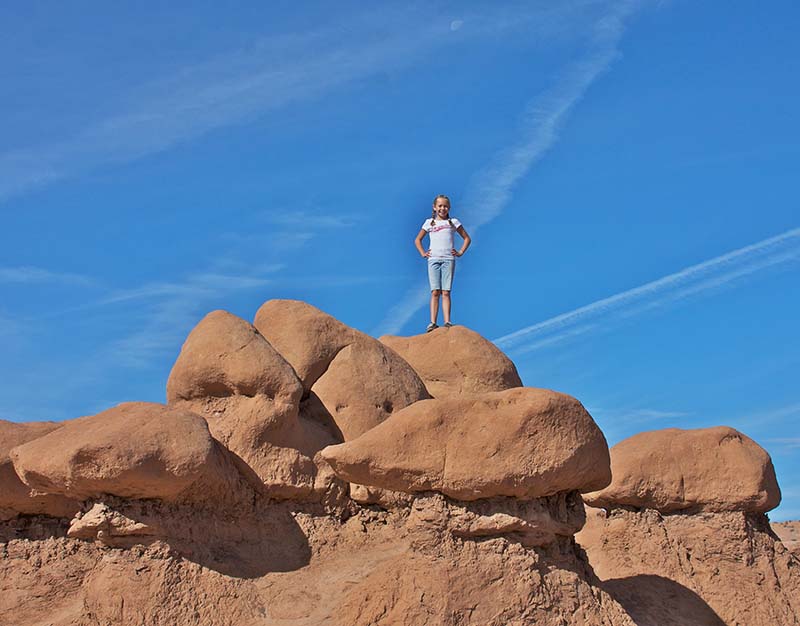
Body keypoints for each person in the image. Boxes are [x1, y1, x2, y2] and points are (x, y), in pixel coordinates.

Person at [414, 194, 471, 332]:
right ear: (434, 207)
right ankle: (432, 322)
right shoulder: (429, 223)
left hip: (448, 259)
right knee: (435, 291)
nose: (442, 208)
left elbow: (466, 238)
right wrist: (423, 253)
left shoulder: (453, 222)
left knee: (446, 292)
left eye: (445, 206)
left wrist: (460, 252)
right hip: (433, 259)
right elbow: (417, 240)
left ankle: (447, 321)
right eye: (440, 206)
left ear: (449, 207)